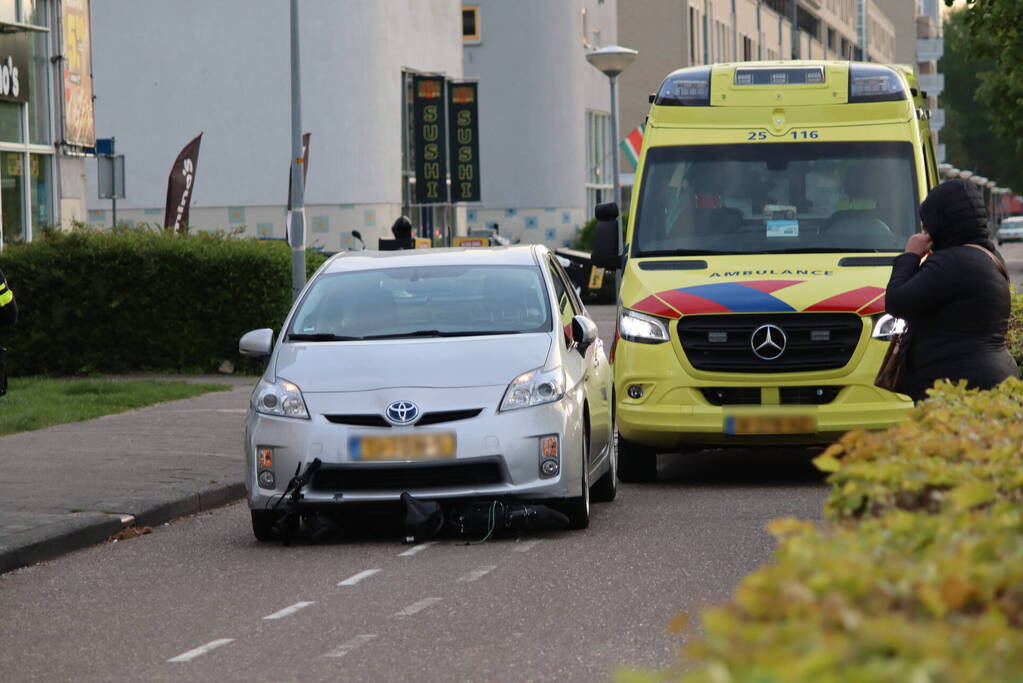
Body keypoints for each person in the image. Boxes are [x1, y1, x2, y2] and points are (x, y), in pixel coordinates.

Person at [884, 178, 1018, 402]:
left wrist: (910, 256)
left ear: (943, 221)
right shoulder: (988, 255)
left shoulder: (953, 262)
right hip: (988, 380)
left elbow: (897, 302)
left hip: (959, 387)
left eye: (928, 224)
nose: (927, 231)